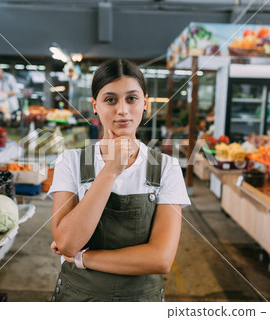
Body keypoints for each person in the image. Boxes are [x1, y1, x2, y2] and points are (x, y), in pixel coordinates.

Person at [48, 59, 191, 302]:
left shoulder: (167, 168)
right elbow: (67, 243)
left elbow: (161, 259)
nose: (122, 110)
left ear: (145, 103)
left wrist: (85, 258)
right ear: (95, 105)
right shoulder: (70, 161)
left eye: (132, 98)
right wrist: (111, 170)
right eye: (110, 99)